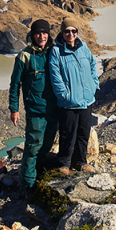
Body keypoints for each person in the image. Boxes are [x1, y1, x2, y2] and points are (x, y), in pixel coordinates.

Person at [8, 19, 58, 190]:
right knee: (32, 147)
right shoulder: (25, 56)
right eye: (38, 33)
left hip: (53, 109)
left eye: (44, 33)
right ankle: (27, 186)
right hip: (35, 110)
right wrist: (14, 109)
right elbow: (15, 84)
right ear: (32, 35)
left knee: (47, 144)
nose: (41, 36)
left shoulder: (53, 52)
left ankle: (36, 173)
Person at [48, 16, 99, 175]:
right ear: (62, 33)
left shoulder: (83, 47)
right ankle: (64, 163)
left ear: (76, 32)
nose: (70, 34)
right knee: (67, 133)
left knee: (84, 132)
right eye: (67, 31)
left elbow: (92, 64)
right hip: (68, 103)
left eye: (73, 31)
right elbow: (55, 77)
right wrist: (65, 95)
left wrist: (94, 85)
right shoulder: (56, 51)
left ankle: (80, 162)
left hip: (86, 99)